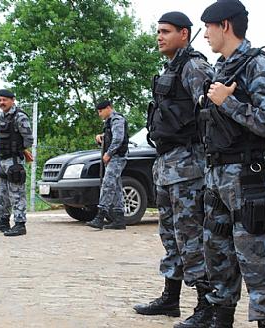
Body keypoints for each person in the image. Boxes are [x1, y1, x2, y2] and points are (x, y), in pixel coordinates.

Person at [199, 1, 265, 327]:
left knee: (258, 260)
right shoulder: (221, 69)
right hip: (217, 177)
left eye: (207, 27)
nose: (205, 34)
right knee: (218, 257)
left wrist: (229, 102)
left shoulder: (258, 65)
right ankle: (221, 319)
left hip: (246, 179)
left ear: (224, 25)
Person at [133, 12, 215, 328]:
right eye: (158, 31)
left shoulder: (194, 66)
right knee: (170, 236)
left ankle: (205, 308)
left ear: (184, 34)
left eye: (166, 31)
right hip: (167, 164)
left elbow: (210, 112)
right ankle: (170, 299)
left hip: (189, 167)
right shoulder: (172, 67)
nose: (159, 36)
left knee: (191, 238)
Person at [0, 89, 34, 237]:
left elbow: (28, 139)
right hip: (2, 160)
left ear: (12, 100)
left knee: (17, 193)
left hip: (14, 161)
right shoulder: (3, 116)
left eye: (4, 100)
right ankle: (3, 221)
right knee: (1, 194)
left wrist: (22, 151)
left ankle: (20, 225)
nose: (1, 103)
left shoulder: (20, 117)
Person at [86, 100, 129, 230]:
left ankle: (100, 216)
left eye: (101, 111)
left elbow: (118, 139)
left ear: (108, 108)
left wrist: (108, 153)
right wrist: (101, 136)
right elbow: (112, 136)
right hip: (114, 157)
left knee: (108, 184)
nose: (99, 114)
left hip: (117, 157)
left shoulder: (117, 119)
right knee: (115, 187)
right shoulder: (110, 121)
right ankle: (119, 219)